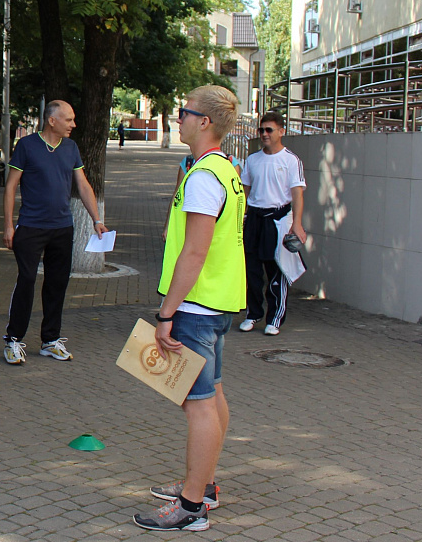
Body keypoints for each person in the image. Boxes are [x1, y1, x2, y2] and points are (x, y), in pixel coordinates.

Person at [136, 85, 245, 532]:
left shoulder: (203, 177)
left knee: (197, 405)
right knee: (213, 396)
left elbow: (194, 252)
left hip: (196, 309)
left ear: (204, 122)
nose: (177, 118)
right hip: (218, 304)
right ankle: (206, 485)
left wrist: (166, 313)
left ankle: (191, 505)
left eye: (183, 112)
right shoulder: (224, 170)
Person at [0, 100, 107, 365]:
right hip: (31, 227)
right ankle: (13, 341)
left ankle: (50, 340)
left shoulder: (70, 148)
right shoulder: (26, 146)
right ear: (52, 120)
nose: (73, 124)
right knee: (26, 281)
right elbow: (11, 186)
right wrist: (8, 225)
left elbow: (82, 185)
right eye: (69, 119)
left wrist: (96, 218)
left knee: (57, 284)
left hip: (62, 228)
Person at [238, 111, 306, 336]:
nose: (264, 134)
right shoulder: (253, 159)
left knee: (276, 271)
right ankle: (253, 314)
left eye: (269, 130)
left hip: (277, 221)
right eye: (261, 130)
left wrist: (297, 224)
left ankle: (275, 317)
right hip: (255, 219)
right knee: (252, 271)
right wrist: (240, 218)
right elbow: (244, 191)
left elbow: (297, 194)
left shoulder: (291, 160)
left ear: (281, 132)